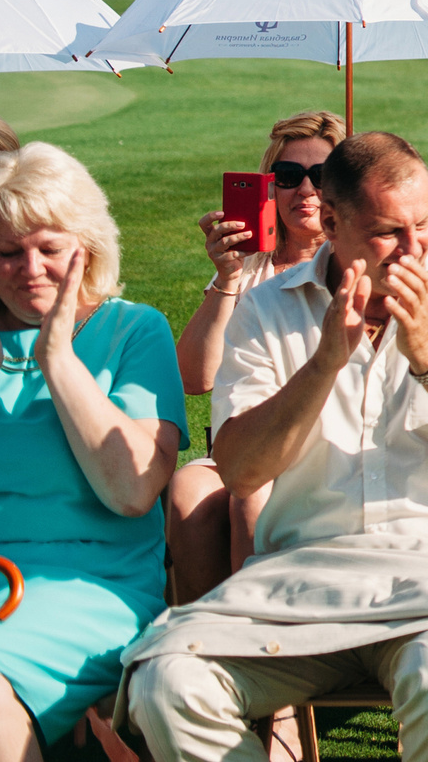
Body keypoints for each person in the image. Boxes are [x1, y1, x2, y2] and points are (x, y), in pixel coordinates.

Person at [126, 132, 428, 762]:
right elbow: (242, 471)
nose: (414, 249)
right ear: (330, 222)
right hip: (300, 587)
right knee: (168, 685)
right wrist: (325, 361)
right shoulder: (269, 308)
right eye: (389, 232)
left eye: (424, 224)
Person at [0, 144, 185, 762]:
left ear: (87, 247)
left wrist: (56, 357)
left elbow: (131, 490)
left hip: (91, 587)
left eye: (49, 248)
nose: (30, 268)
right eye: (7, 252)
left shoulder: (132, 330)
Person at [165, 110, 345, 610]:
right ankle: (195, 638)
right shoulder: (250, 268)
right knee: (187, 491)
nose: (305, 190)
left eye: (322, 175)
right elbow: (194, 378)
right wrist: (225, 277)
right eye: (288, 177)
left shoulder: (351, 266)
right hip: (240, 443)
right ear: (269, 187)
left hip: (326, 446)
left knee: (251, 493)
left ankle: (254, 653)